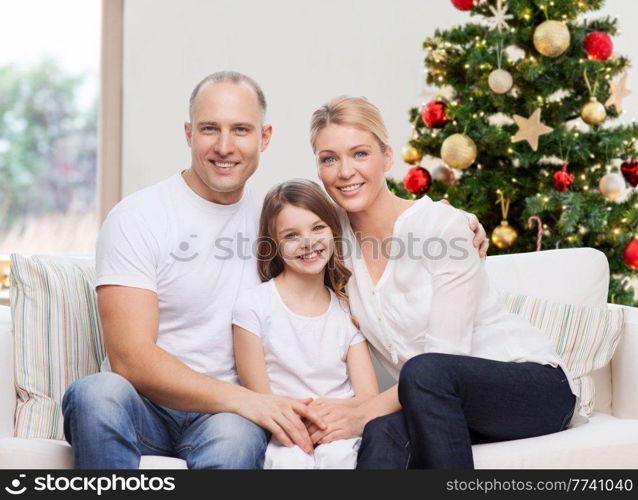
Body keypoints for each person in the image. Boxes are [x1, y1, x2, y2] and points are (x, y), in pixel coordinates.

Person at [61, 71, 487, 469]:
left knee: (233, 441)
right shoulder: (138, 217)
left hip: (229, 418)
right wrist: (250, 401)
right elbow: (129, 358)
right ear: (189, 134)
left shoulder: (280, 220)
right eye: (210, 128)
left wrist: (457, 223)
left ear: (264, 138)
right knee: (96, 393)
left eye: (241, 130)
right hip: (152, 405)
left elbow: (365, 223)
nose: (224, 146)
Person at [303, 96, 579, 469]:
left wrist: (360, 412)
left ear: (387, 157)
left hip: (532, 389)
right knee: (382, 434)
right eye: (329, 159)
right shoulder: (333, 246)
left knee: (425, 369)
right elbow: (281, 224)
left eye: (360, 154)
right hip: (435, 402)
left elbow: (445, 356)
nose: (345, 171)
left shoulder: (441, 228)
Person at [232, 179, 379, 468]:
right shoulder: (253, 306)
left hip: (339, 430)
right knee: (290, 463)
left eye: (318, 228)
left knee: (340, 458)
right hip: (282, 432)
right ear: (273, 244)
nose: (308, 243)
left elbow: (368, 398)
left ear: (333, 232)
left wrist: (330, 418)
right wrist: (302, 422)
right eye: (291, 235)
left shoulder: (347, 308)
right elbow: (260, 399)